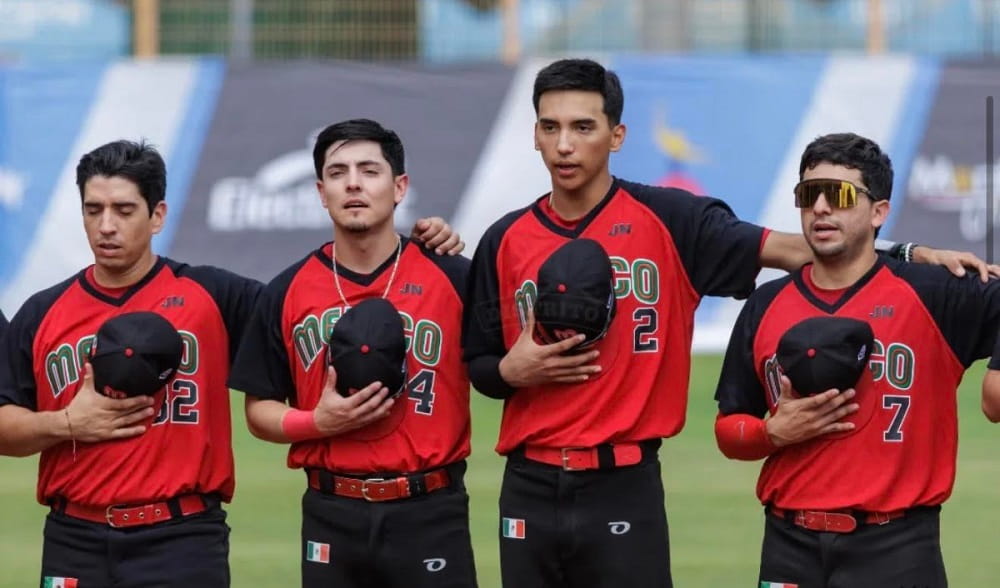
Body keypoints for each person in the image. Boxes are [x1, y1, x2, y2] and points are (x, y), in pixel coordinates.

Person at [460, 58, 996, 588]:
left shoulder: (673, 219)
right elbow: (479, 365)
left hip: (625, 478)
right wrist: (510, 371)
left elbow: (798, 248)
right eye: (550, 127)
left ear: (616, 135)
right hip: (528, 480)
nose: (564, 145)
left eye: (582, 127)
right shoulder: (503, 240)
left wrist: (908, 252)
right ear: (534, 135)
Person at [0, 139, 464, 588]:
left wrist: (419, 244)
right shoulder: (42, 314)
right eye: (93, 209)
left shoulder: (219, 297)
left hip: (183, 537)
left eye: (123, 210)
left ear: (157, 215)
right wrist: (65, 423)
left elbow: (325, 308)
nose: (106, 226)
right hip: (74, 537)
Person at [713, 132, 1000, 588]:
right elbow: (729, 429)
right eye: (809, 194)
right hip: (789, 546)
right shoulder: (765, 305)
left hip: (898, 547)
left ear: (879, 212)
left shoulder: (935, 293)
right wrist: (771, 433)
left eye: (840, 195)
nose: (820, 208)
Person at [229, 118, 477, 588]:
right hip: (332, 510)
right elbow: (258, 410)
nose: (354, 184)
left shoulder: (455, 276)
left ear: (400, 187)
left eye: (370, 170)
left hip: (430, 507)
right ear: (321, 193)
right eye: (338, 173)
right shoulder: (286, 290)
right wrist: (317, 423)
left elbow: (497, 371)